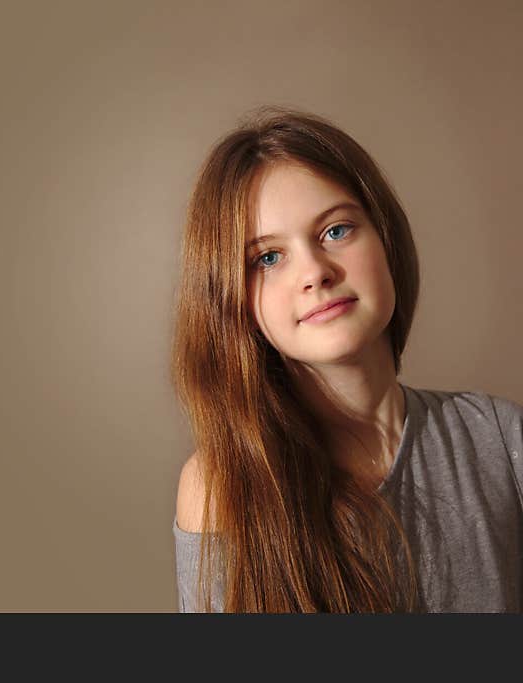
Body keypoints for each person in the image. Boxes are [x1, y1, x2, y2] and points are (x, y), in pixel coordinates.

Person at [170, 106, 523, 613]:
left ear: (385, 238)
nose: (314, 272)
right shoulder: (219, 487)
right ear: (232, 299)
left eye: (335, 231)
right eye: (267, 258)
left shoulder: (502, 438)